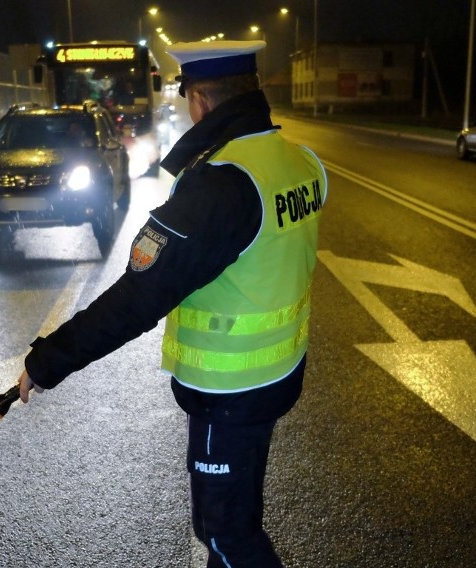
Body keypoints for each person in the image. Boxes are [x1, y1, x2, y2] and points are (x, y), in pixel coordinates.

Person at [17, 40, 328, 567]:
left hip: (227, 391)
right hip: (278, 373)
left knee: (227, 536)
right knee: (234, 520)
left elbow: (136, 299)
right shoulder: (299, 162)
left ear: (200, 99)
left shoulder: (222, 185)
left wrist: (46, 362)